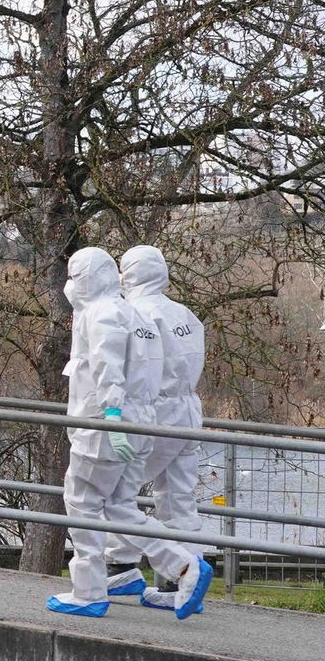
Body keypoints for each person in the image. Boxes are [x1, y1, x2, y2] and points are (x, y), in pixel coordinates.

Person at [47, 247, 212, 620]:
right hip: (160, 416)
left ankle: (91, 589)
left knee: (84, 503)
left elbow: (107, 370)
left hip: (110, 423)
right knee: (138, 503)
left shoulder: (111, 313)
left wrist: (112, 416)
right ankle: (184, 567)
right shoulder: (158, 315)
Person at [100, 245, 210, 611]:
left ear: (127, 273)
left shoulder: (132, 313)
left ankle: (122, 567)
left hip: (153, 412)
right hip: (188, 413)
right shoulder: (185, 314)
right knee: (178, 498)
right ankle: (182, 583)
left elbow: (131, 370)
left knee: (116, 492)